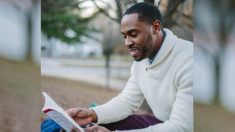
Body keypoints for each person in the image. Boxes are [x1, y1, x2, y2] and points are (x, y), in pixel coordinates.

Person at [43, 2, 193, 132]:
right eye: (125, 36)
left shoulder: (189, 61)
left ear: (155, 27)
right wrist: (92, 114)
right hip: (161, 123)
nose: (127, 42)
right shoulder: (141, 62)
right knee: (95, 124)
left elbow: (181, 128)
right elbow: (127, 102)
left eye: (133, 34)